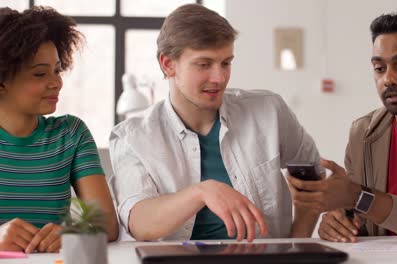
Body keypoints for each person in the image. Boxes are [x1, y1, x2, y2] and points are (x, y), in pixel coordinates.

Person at [110, 3, 322, 242]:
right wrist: (201, 192)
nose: (219, 78)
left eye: (226, 63)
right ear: (168, 64)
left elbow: (312, 175)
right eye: (204, 64)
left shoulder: (270, 111)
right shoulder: (132, 137)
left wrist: (297, 244)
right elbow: (139, 222)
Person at [287, 11, 397, 242]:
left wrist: (355, 196)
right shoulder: (362, 133)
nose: (388, 79)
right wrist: (338, 220)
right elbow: (359, 212)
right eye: (379, 68)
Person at [0, 6, 119, 252]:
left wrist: (74, 232)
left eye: (57, 70)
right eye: (40, 74)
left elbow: (107, 222)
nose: (57, 83)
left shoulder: (71, 133)